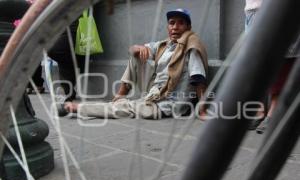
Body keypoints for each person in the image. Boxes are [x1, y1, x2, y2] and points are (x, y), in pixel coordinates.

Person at [63, 8, 209, 119]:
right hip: (155, 92)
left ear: (188, 27)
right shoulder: (165, 44)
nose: (175, 27)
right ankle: (120, 95)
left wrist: (202, 110)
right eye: (172, 23)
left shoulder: (191, 46)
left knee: (127, 109)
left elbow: (198, 78)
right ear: (167, 27)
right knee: (137, 55)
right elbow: (131, 50)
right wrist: (139, 48)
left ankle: (80, 108)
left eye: (180, 23)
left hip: (168, 103)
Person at [244, 0, 300, 133]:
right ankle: (259, 110)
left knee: (282, 60)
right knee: (256, 62)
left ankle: (273, 112)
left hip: (282, 9)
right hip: (253, 10)